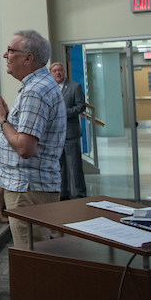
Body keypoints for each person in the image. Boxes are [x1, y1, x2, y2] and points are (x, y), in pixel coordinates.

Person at [0, 29, 66, 247]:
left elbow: (24, 148)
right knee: (41, 253)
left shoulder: (35, 91)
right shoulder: (39, 85)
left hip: (28, 190)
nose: (5, 56)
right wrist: (7, 116)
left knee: (33, 257)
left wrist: (2, 120)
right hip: (33, 188)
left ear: (28, 58)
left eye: (11, 51)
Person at [48, 63, 87, 201]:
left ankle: (80, 195)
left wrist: (63, 113)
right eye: (54, 71)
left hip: (70, 134)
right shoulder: (50, 90)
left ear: (64, 72)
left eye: (60, 70)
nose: (58, 73)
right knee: (59, 168)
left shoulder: (75, 87)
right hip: (55, 136)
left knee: (75, 167)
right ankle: (63, 194)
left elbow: (81, 106)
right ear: (51, 73)